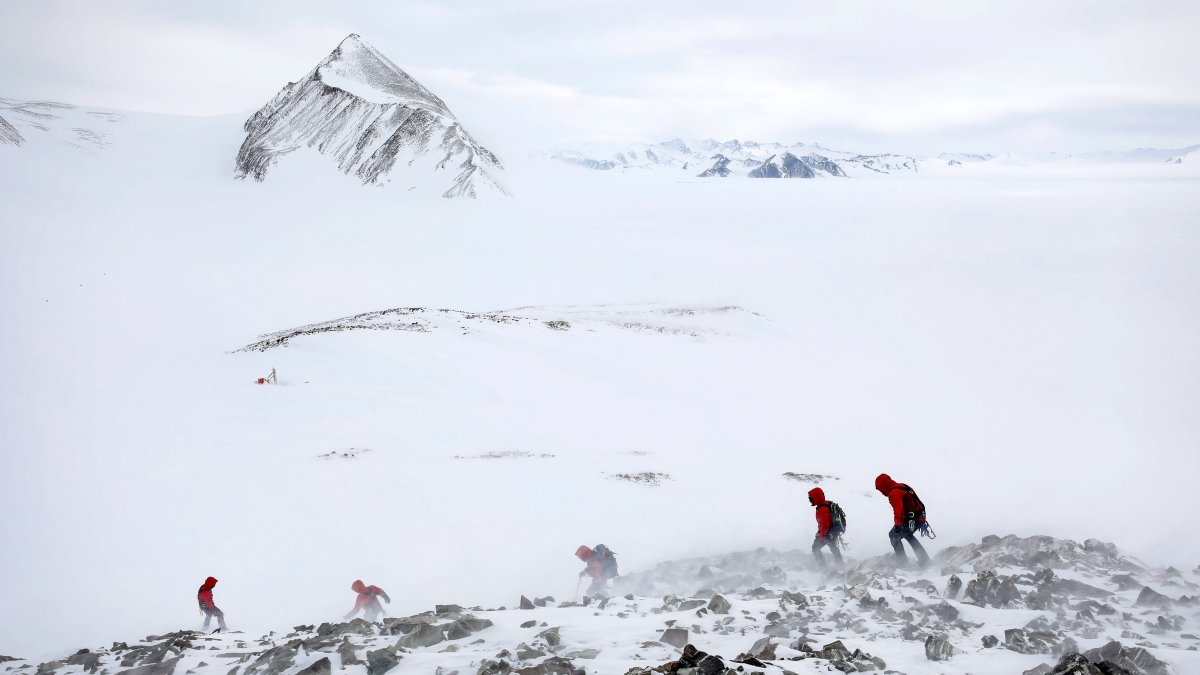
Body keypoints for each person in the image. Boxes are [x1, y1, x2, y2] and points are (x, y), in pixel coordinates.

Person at [874, 473, 931, 567]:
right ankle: (925, 560)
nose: (881, 492)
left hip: (913, 519)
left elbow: (898, 510)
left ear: (884, 486)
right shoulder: (902, 486)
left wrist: (897, 526)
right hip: (918, 517)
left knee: (894, 536)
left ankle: (903, 564)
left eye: (880, 489)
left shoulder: (894, 493)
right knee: (907, 535)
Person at [808, 487, 844, 569]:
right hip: (834, 531)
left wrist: (821, 537)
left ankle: (823, 569)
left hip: (828, 532)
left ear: (816, 497)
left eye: (811, 498)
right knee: (833, 546)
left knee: (815, 548)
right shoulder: (826, 503)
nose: (810, 500)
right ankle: (840, 565)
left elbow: (825, 525)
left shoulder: (822, 509)